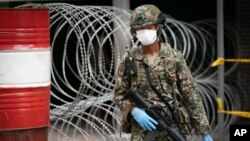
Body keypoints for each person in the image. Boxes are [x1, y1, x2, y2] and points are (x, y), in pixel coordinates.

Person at [113, 4, 213, 141]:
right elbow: (119, 94)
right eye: (140, 28)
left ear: (158, 27)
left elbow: (190, 95)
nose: (144, 31)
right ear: (135, 31)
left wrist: (204, 131)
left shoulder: (174, 57)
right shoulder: (130, 59)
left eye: (148, 27)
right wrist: (133, 110)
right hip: (142, 131)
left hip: (170, 124)